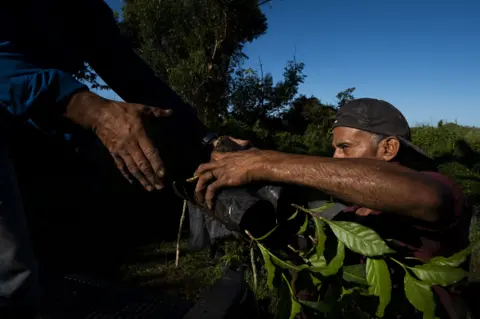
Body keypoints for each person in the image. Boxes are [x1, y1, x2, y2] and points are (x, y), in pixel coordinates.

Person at [0, 0, 218, 316]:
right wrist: (96, 112)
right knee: (12, 278)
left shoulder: (87, 10)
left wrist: (206, 138)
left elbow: (129, 72)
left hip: (37, 123)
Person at [194, 98, 472, 318]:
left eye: (345, 147)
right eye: (334, 149)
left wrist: (264, 162)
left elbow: (425, 197)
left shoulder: (437, 185)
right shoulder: (347, 201)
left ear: (388, 148)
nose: (335, 157)